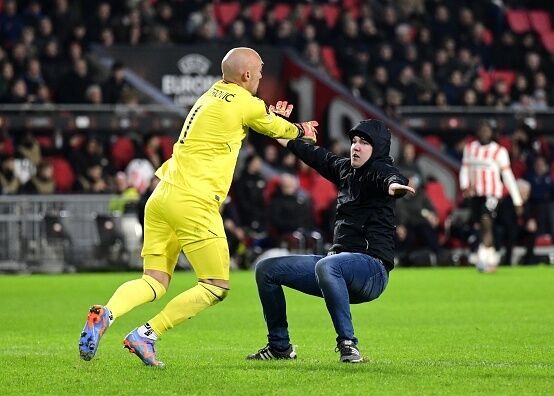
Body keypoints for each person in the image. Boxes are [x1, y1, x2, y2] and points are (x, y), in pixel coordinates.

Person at [78, 47, 318, 367]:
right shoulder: (245, 102)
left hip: (162, 195)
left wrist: (271, 117)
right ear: (246, 75)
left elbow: (255, 123)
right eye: (259, 72)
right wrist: (301, 130)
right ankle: (147, 334)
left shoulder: (211, 94)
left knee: (153, 280)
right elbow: (274, 128)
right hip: (194, 201)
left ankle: (105, 314)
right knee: (215, 285)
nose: (261, 76)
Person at [247, 118, 415, 363]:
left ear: (378, 148)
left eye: (364, 142)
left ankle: (348, 345)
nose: (356, 146)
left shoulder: (380, 170)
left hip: (371, 271)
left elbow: (391, 177)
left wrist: (395, 186)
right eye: (354, 141)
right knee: (266, 269)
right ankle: (279, 347)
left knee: (328, 264)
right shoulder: (345, 169)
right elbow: (310, 153)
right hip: (336, 268)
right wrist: (279, 129)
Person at [459, 120, 523, 272]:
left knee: (486, 220)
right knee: (481, 225)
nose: (484, 133)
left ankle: (483, 256)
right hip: (475, 194)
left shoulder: (499, 151)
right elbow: (464, 169)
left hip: (492, 194)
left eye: (487, 130)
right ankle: (491, 257)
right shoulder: (470, 148)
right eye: (481, 130)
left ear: (492, 133)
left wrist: (517, 200)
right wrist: (464, 186)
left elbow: (507, 175)